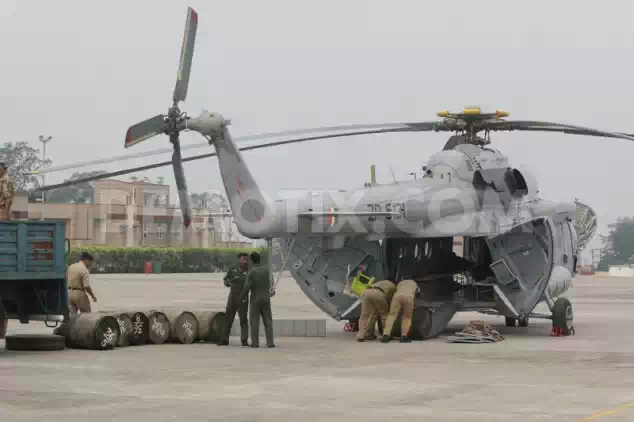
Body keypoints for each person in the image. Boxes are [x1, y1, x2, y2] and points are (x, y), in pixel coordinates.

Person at [239, 252, 275, 348]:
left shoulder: (252, 272)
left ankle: (255, 343)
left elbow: (247, 287)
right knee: (268, 320)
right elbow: (272, 282)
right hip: (266, 297)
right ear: (260, 259)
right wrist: (271, 291)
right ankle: (270, 343)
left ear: (251, 260)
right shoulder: (267, 270)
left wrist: (241, 297)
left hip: (255, 298)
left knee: (254, 321)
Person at [218, 253, 250, 346]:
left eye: (247, 260)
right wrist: (227, 282)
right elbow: (225, 278)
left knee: (243, 320)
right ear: (239, 260)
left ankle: (244, 340)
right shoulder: (232, 269)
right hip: (232, 297)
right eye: (243, 259)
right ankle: (224, 340)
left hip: (243, 298)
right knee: (228, 319)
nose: (245, 262)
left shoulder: (250, 271)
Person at [381, 279, 419, 343]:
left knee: (391, 316)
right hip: (409, 297)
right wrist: (414, 306)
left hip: (396, 297)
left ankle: (386, 335)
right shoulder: (414, 283)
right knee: (407, 317)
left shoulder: (400, 283)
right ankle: (404, 337)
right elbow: (417, 293)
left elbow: (395, 291)